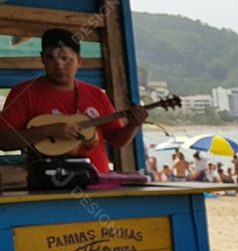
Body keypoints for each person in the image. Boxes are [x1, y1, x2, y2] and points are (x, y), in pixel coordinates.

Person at [0, 29, 148, 177]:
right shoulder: (24, 93)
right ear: (42, 59)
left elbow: (116, 140)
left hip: (97, 182)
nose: (59, 66)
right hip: (49, 184)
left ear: (79, 61)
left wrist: (133, 125)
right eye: (51, 58)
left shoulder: (96, 94)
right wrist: (47, 131)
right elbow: (4, 140)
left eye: (66, 59)